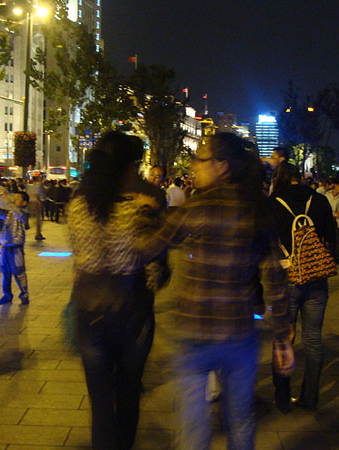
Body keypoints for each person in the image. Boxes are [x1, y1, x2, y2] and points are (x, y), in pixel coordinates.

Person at [136, 133, 294, 449]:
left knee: (193, 427)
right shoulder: (256, 210)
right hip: (239, 332)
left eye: (200, 159)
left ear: (222, 166)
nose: (194, 165)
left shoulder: (197, 207)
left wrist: (142, 214)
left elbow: (147, 246)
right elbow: (275, 281)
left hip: (195, 332)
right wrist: (282, 338)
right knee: (241, 421)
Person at [68, 131, 159, 450]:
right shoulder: (139, 210)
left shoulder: (77, 207)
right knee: (129, 394)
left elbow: (79, 256)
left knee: (101, 404)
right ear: (126, 168)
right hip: (131, 313)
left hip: (89, 312)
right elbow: (156, 265)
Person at [269, 163, 335, 413]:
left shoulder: (274, 203)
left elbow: (265, 241)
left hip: (286, 278)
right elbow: (332, 237)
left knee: (283, 338)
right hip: (317, 277)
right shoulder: (319, 200)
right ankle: (310, 397)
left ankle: (282, 397)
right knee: (313, 339)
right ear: (300, 177)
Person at [0, 190, 30, 305]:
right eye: (14, 197)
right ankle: (7, 295)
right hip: (5, 245)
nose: (14, 200)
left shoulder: (24, 213)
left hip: (16, 247)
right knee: (5, 272)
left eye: (17, 198)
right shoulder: (9, 213)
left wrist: (5, 198)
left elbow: (17, 213)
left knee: (19, 271)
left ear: (24, 203)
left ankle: (24, 294)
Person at [324, 180, 339, 262]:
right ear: (335, 186)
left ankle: (333, 256)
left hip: (333, 220)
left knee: (334, 239)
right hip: (325, 218)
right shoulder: (327, 194)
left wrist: (336, 214)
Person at [26, 176, 45, 240]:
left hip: (29, 202)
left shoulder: (28, 186)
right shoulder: (38, 186)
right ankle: (38, 234)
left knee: (31, 218)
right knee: (38, 220)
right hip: (36, 203)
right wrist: (39, 202)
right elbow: (36, 195)